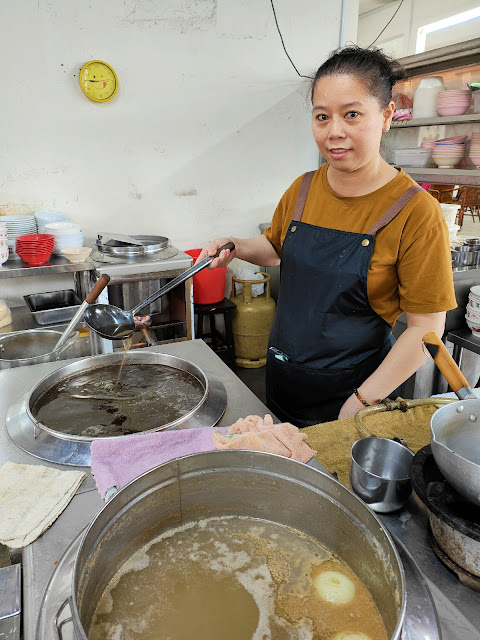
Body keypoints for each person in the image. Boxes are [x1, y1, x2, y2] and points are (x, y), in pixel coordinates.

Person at [197, 46, 456, 427]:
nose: (334, 132)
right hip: (284, 380)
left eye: (352, 114)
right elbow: (274, 248)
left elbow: (426, 329)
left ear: (386, 115)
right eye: (322, 116)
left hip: (359, 394)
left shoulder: (416, 212)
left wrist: (364, 398)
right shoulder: (303, 189)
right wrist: (234, 246)